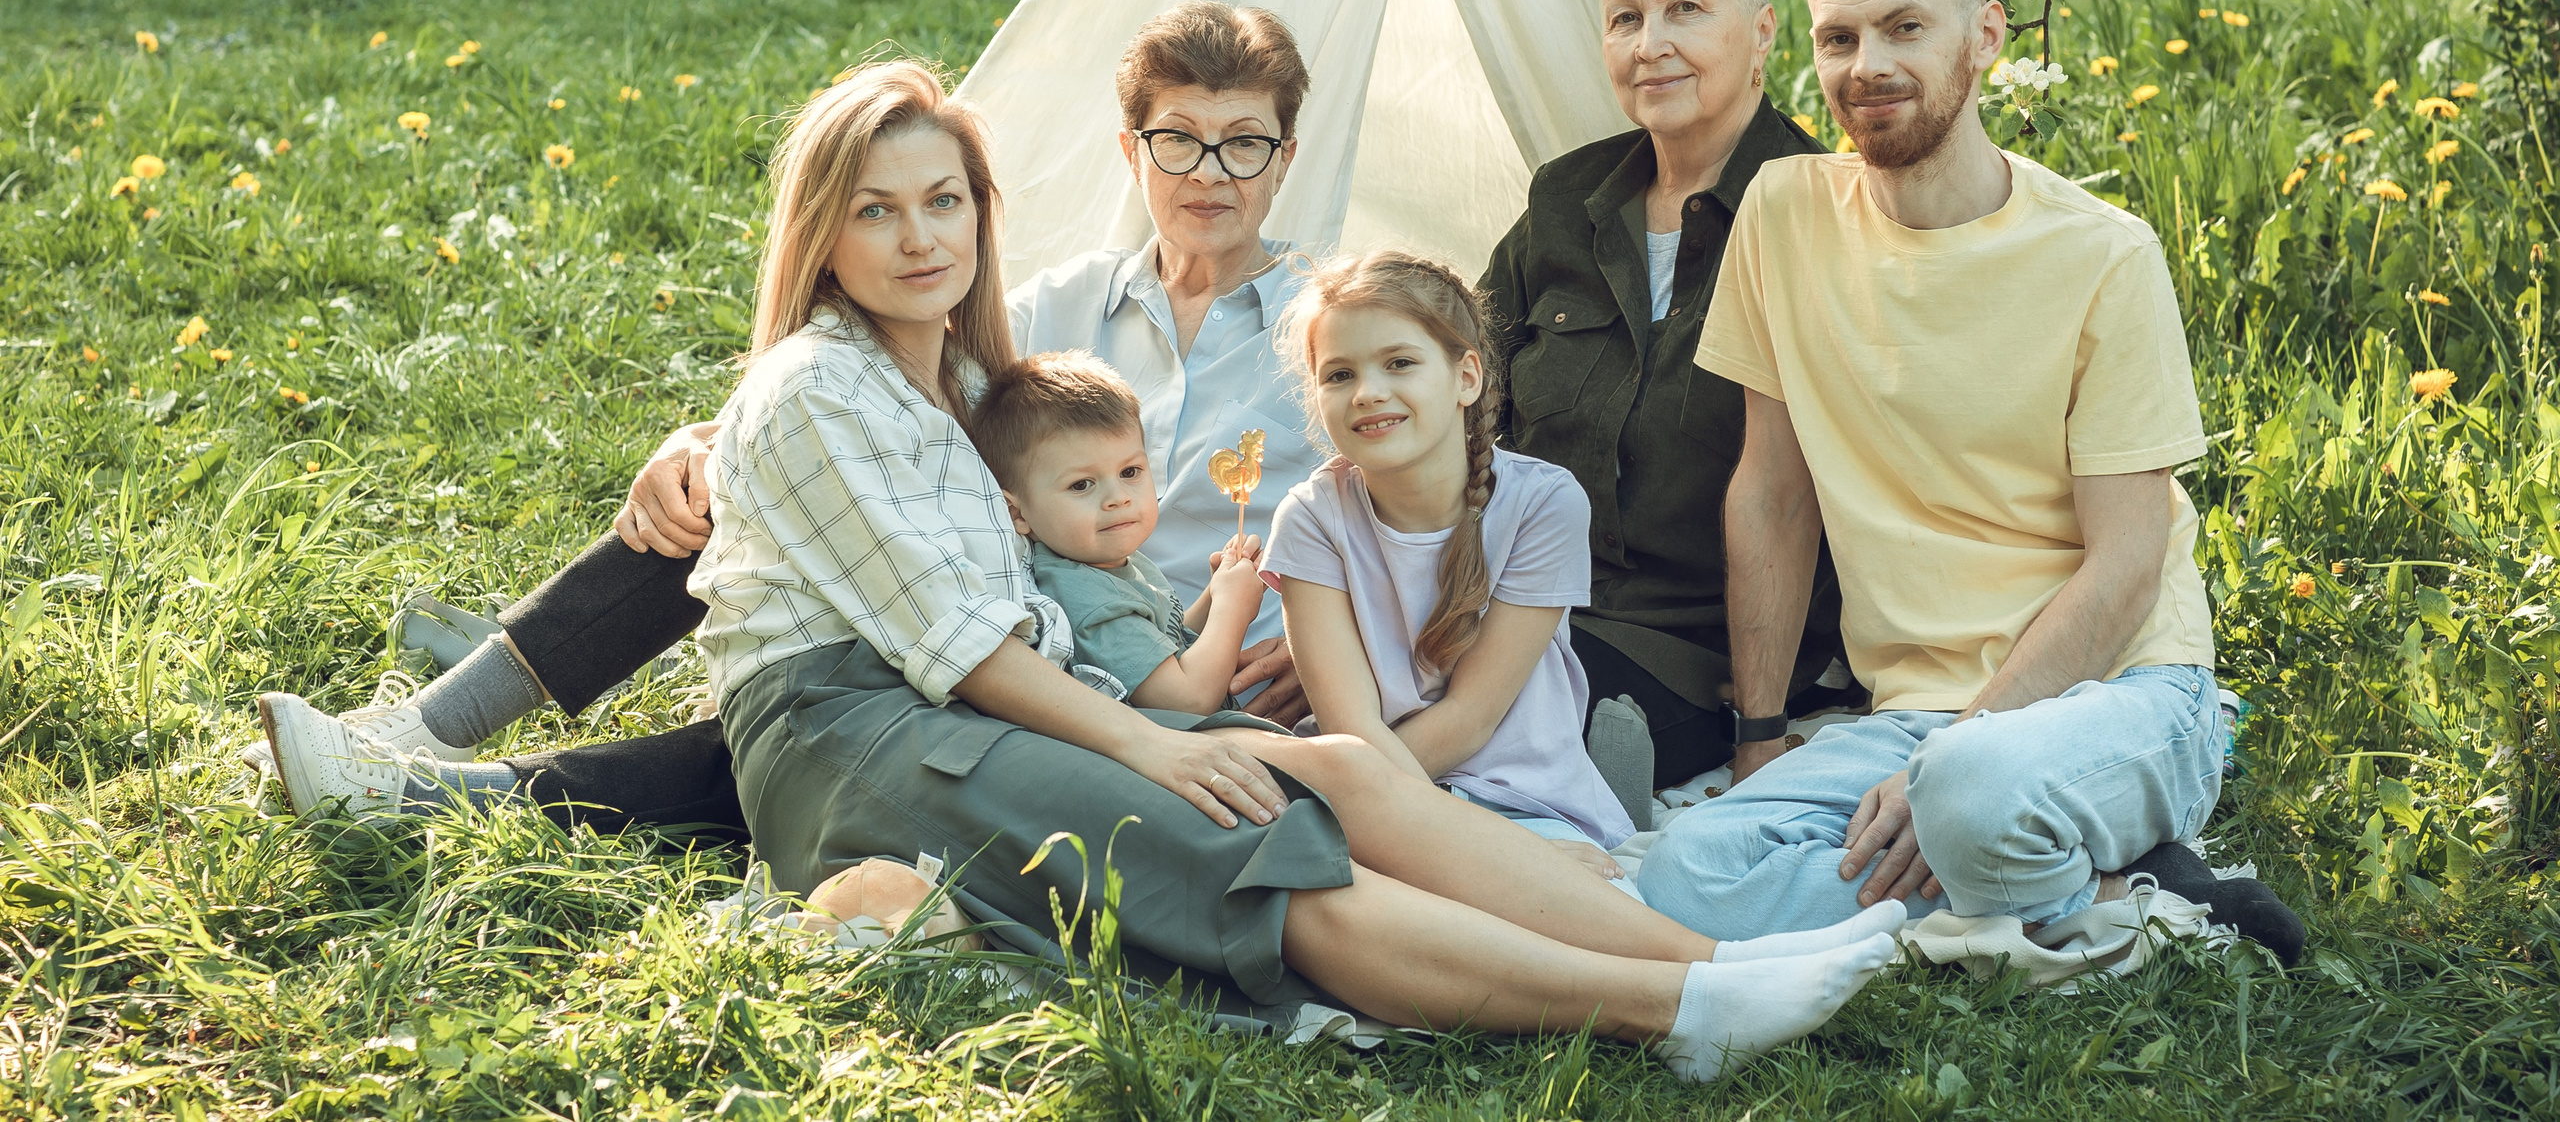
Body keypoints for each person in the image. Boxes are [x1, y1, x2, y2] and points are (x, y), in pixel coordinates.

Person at [611, 60, 1918, 1068]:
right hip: (870, 728)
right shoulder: (817, 386)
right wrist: (1155, 743)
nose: (918, 237)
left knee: (1343, 767)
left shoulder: (954, 372)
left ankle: (1717, 957)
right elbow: (959, 646)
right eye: (877, 212)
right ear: (823, 233)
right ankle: (1674, 1007)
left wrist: (1171, 701)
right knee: (1252, 846)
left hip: (1004, 693)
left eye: (942, 200)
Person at [251, 4, 1331, 835]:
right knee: (743, 511)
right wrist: (708, 445)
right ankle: (433, 725)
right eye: (1179, 141)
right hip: (1001, 601)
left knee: (827, 712)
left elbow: (1416, 512)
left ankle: (442, 788)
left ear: (1286, 159)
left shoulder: (1328, 336)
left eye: (1244, 145)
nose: (1209, 174)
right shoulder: (1055, 307)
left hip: (1175, 654)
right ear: (1133, 150)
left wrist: (1334, 649)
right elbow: (891, 413)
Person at [1632, 0, 2305, 964]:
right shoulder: (1781, 214)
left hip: (2126, 693)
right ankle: (2102, 885)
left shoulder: (2104, 257)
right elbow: (1770, 491)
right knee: (1681, 877)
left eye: (1905, 28)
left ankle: (2029, 863)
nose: (1868, 65)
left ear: (1984, 36)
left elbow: (2127, 567)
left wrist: (1955, 751)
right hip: (1911, 717)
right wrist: (1759, 738)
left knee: (1973, 794)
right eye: (1839, 38)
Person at [1481, 0, 1850, 797]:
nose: (1651, 42)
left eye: (1686, 9)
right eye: (1625, 18)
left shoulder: (1821, 213)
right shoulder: (1565, 200)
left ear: (1763, 33)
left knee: (1478, 741)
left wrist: (1760, 726)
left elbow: (1806, 490)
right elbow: (1461, 401)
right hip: (1517, 608)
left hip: (1689, 651)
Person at [1266, 250, 1634, 872]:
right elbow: (1353, 731)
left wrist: (1503, 850)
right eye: (1338, 375)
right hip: (1372, 788)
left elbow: (1470, 719)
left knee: (1556, 933)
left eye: (1400, 362)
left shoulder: (1544, 504)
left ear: (1466, 377)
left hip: (1519, 800)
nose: (1368, 393)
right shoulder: (1311, 518)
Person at [973, 349, 1268, 711]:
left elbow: (1165, 643)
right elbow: (1186, 700)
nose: (1118, 499)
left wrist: (1215, 593)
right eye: (1081, 485)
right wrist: (1233, 608)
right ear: (1017, 513)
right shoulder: (1088, 600)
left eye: (1130, 472)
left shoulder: (1109, 562)